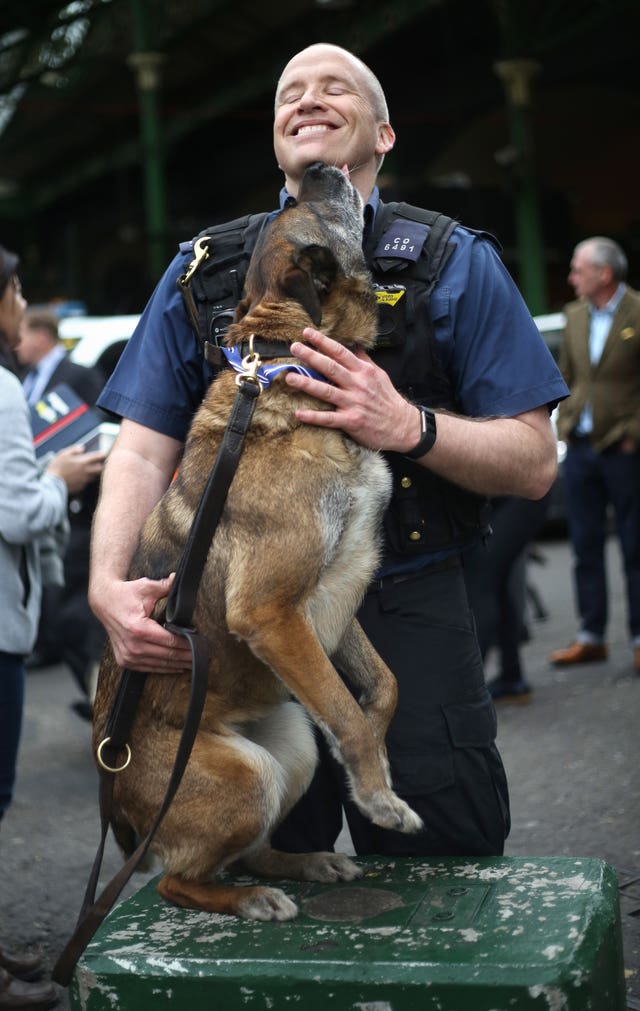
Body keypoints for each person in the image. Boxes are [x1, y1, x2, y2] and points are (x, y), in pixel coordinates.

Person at [89, 43, 567, 860]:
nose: (306, 99)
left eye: (333, 87)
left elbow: (535, 460)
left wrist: (407, 423)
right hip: (247, 636)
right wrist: (108, 587)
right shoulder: (203, 270)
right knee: (262, 866)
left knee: (445, 868)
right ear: (277, 136)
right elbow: (140, 450)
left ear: (383, 133)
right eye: (288, 93)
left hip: (409, 604)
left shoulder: (455, 263)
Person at [0, 244, 104, 1010]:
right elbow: (15, 510)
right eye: (17, 290)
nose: (21, 303)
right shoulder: (3, 389)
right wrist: (59, 480)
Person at [549, 237, 640, 675]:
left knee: (634, 543)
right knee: (585, 545)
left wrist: (633, 435)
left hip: (625, 450)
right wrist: (565, 423)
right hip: (582, 449)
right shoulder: (573, 316)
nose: (571, 278)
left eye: (577, 269)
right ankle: (592, 636)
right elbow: (566, 375)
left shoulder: (638, 312)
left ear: (604, 274)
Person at [16, 309, 108, 718]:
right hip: (47, 506)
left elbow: (104, 426)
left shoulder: (80, 374)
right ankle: (97, 695)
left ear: (41, 336)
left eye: (23, 334)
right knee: (64, 609)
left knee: (75, 610)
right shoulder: (25, 382)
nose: (17, 343)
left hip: (81, 511)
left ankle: (103, 699)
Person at [464, 493, 551, 704]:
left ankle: (466, 691)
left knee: (481, 582)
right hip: (506, 499)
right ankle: (512, 678)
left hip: (519, 495)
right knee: (496, 584)